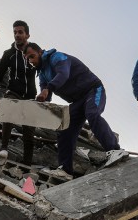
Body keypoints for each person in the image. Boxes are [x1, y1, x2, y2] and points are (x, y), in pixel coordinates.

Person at [23, 43, 127, 179]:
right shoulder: (42, 74)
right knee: (64, 126)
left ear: (41, 52)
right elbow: (46, 95)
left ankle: (115, 150)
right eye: (28, 59)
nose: (31, 61)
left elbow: (63, 74)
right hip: (78, 102)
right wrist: (39, 103)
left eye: (32, 56)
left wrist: (47, 89)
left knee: (92, 114)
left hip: (93, 89)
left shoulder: (56, 57)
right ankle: (66, 170)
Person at [0, 20, 38, 164]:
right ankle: (4, 148)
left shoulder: (33, 53)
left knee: (29, 133)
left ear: (27, 35)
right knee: (9, 106)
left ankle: (27, 164)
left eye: (20, 32)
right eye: (15, 32)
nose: (17, 35)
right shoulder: (9, 54)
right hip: (13, 92)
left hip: (30, 96)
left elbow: (44, 72)